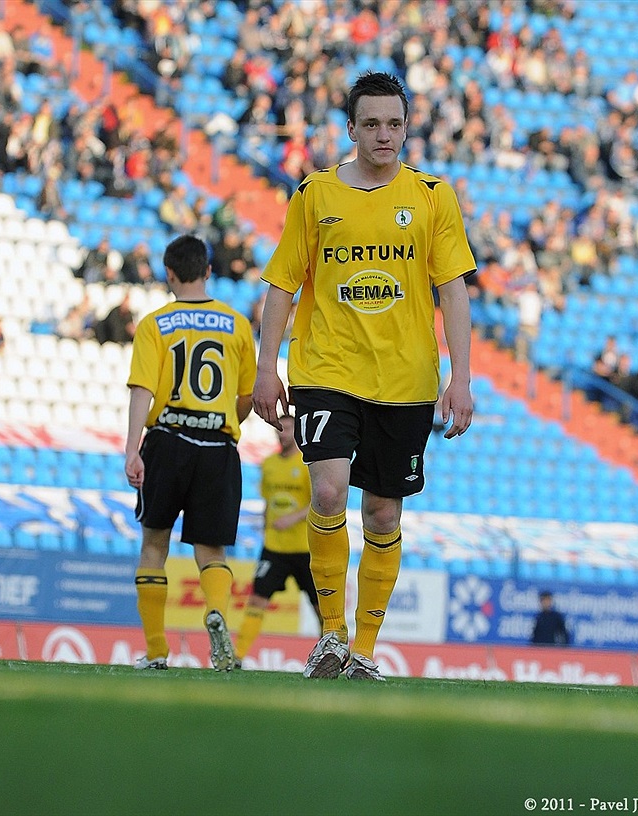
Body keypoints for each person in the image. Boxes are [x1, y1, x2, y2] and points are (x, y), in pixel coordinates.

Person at [252, 72, 476, 681]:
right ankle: (330, 634)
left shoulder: (433, 196)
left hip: (405, 380)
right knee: (326, 491)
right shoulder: (315, 194)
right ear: (351, 129)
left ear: (408, 127)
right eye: (371, 124)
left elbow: (452, 290)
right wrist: (267, 367)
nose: (384, 134)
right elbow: (281, 284)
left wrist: (461, 377)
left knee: (383, 513)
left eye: (394, 124)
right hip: (326, 368)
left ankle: (365, 651)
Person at [124, 234, 256, 672]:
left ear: (169, 274)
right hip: (218, 444)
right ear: (208, 271)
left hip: (168, 438)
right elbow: (246, 398)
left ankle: (158, 650)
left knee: (154, 544)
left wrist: (132, 450)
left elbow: (143, 387)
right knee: (211, 551)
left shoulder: (154, 324)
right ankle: (215, 611)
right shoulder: (237, 324)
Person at [234, 413, 322, 667]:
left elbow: (318, 503)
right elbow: (268, 501)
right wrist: (266, 527)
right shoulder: (269, 464)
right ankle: (237, 656)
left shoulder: (307, 464)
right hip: (274, 547)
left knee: (320, 608)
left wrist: (292, 519)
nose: (281, 434)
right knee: (257, 600)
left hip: (305, 549)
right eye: (278, 430)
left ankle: (331, 656)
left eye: (286, 430)